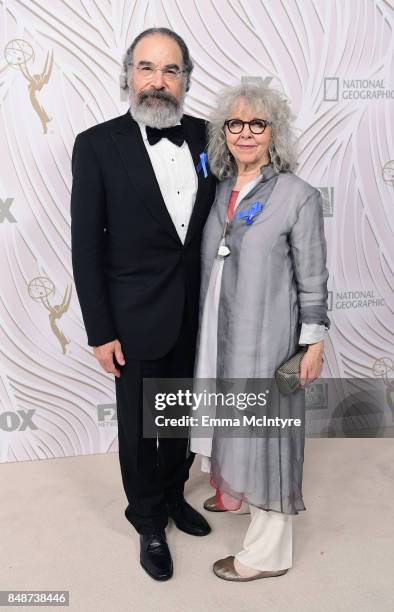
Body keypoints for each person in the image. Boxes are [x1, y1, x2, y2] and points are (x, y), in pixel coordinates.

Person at [70, 27, 216, 581]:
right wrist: (100, 330)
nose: (158, 81)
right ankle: (148, 518)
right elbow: (87, 247)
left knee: (178, 412)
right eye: (147, 68)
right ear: (128, 75)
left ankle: (175, 493)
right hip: (131, 319)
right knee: (137, 425)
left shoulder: (208, 137)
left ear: (185, 79)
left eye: (170, 70)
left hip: (195, 311)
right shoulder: (96, 144)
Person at [191, 82, 330, 581]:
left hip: (267, 337)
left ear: (275, 132)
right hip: (218, 333)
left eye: (258, 124)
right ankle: (234, 489)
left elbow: (313, 276)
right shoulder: (219, 189)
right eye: (235, 123)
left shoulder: (298, 196)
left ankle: (266, 554)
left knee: (267, 433)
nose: (245, 133)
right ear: (222, 132)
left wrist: (313, 343)